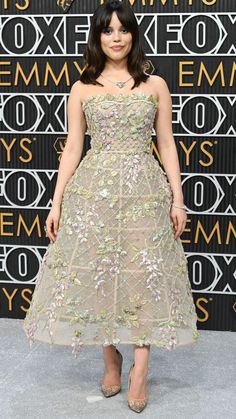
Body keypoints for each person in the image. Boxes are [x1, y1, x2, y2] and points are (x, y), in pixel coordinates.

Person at [23, 0, 199, 413]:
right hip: (94, 192)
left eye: (123, 30)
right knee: (101, 275)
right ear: (98, 37)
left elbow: (168, 144)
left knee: (144, 275)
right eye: (108, 30)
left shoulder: (154, 85)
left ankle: (140, 366)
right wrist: (56, 203)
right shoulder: (83, 87)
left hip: (144, 192)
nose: (116, 37)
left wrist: (179, 198)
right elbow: (72, 149)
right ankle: (110, 358)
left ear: (133, 36)